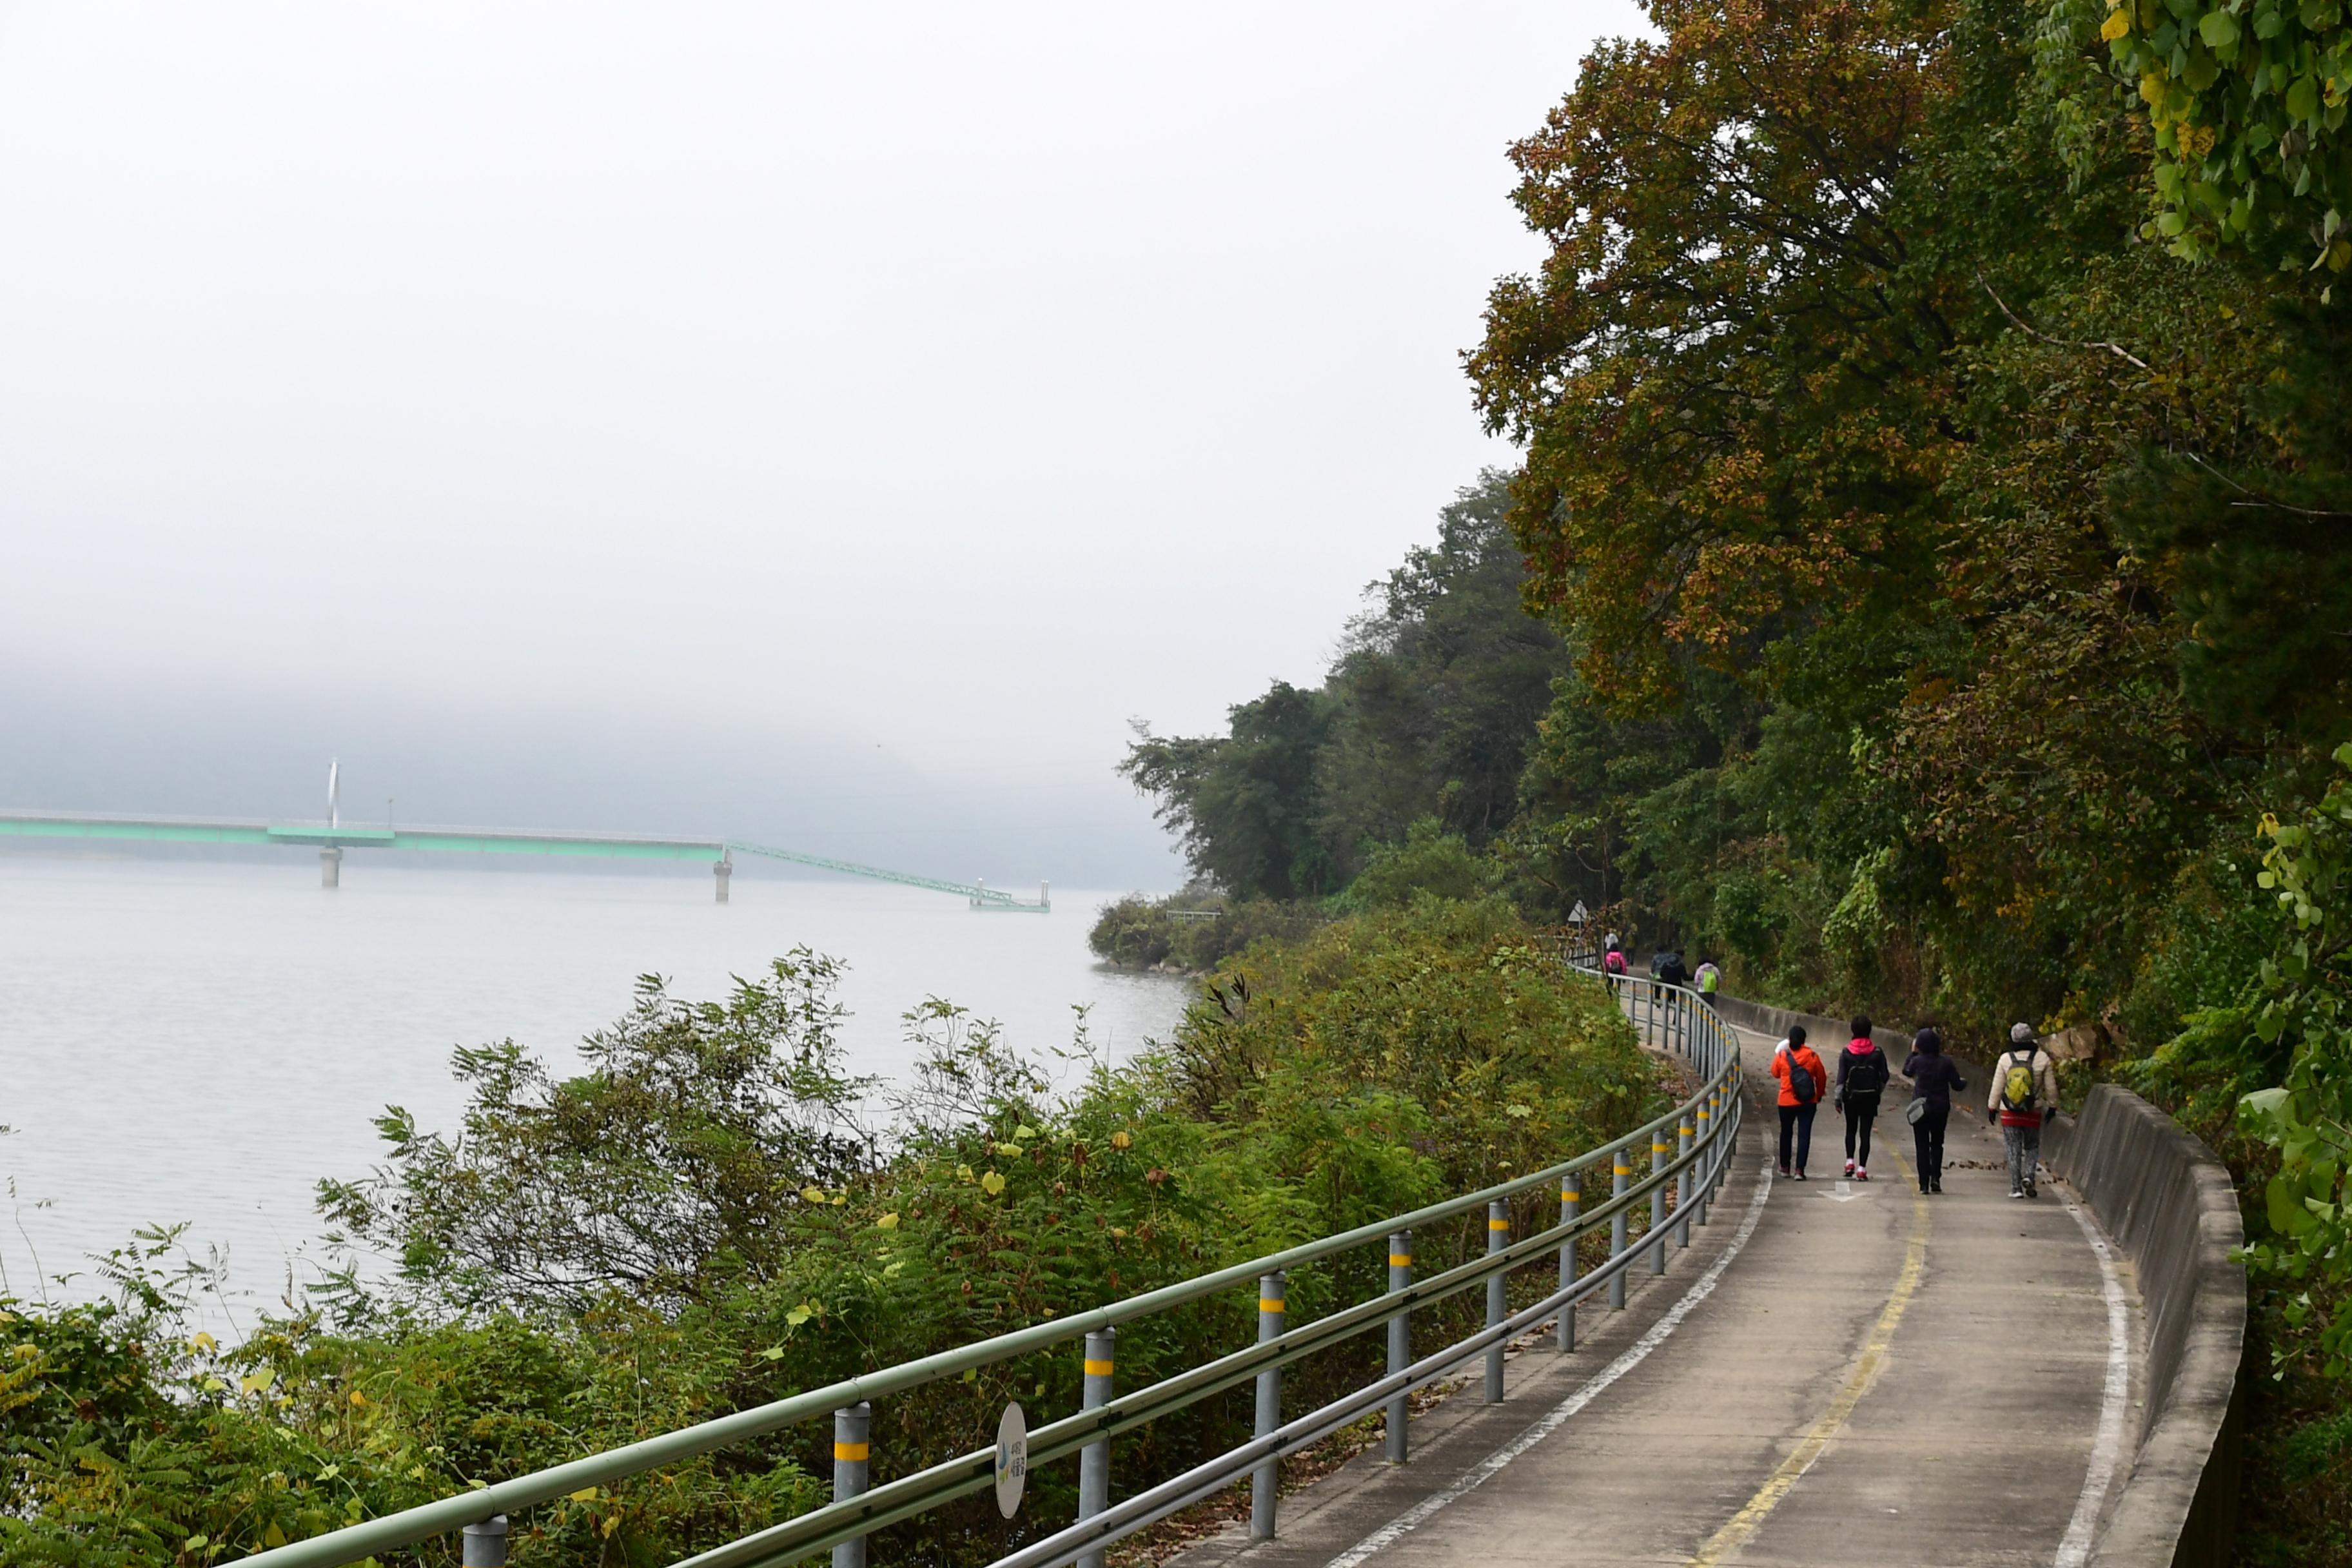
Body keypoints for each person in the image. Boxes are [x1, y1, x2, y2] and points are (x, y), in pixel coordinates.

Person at [1988, 1022, 2061, 1199]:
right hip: (2032, 1111)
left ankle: (2016, 1188)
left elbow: (1997, 1086)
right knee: (2032, 1146)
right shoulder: (2042, 1058)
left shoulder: (2006, 1059)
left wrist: (1992, 1107)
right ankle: (2029, 1175)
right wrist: (2052, 1106)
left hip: (2009, 1112)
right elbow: (2051, 1087)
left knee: (2013, 1148)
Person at [1902, 1026, 1966, 1195]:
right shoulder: (1946, 1062)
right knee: (1937, 1144)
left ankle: (1923, 1183)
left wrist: (1913, 1053)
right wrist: (1965, 1082)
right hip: (1940, 1109)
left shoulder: (1917, 1061)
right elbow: (1957, 1086)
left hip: (1921, 1109)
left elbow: (1906, 1071)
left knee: (1922, 1146)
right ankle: (1935, 1178)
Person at [1834, 1014, 1890, 1180]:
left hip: (1851, 1098)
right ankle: (1862, 1169)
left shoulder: (1846, 1053)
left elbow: (1841, 1078)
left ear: (1852, 1030)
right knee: (1865, 1133)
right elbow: (1885, 1076)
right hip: (1870, 1098)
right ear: (1870, 1031)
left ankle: (1849, 1161)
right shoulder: (1878, 1053)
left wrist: (1838, 1099)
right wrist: (1877, 1090)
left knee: (1850, 1130)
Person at [1771, 1025, 1827, 1181]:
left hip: (1786, 1101)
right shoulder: (1812, 1056)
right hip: (1808, 1101)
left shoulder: (1782, 1056)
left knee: (1786, 1132)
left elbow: (1775, 1073)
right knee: (1804, 1134)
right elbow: (1821, 1077)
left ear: (1789, 1040)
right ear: (1804, 1040)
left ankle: (1784, 1167)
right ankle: (1800, 1170)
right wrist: (1819, 1094)